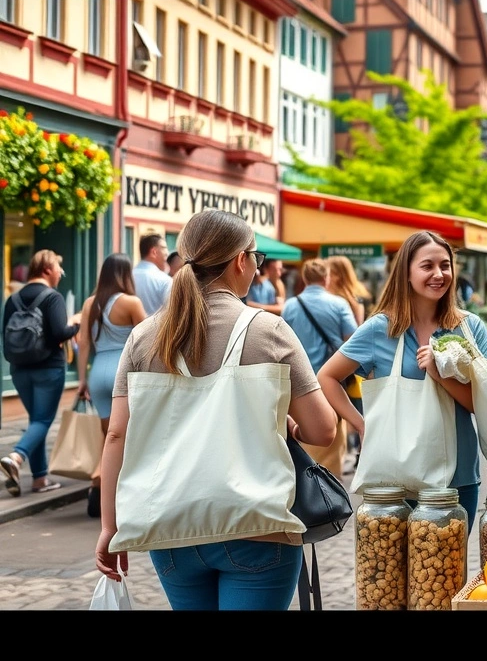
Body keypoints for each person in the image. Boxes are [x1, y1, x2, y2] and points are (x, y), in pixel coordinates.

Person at [95, 210, 338, 610]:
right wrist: (286, 423)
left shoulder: (144, 336)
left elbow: (117, 435)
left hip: (172, 530)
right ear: (241, 260)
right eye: (256, 258)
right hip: (256, 528)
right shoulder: (268, 330)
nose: (257, 268)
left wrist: (110, 526)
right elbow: (323, 430)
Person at [317, 231, 487, 526]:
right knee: (395, 558)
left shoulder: (469, 327)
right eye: (427, 266)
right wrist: (361, 425)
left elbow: (485, 404)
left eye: (445, 265)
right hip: (396, 478)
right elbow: (327, 377)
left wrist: (439, 374)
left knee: (450, 558)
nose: (439, 274)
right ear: (406, 273)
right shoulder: (381, 329)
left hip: (458, 478)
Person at [0, 250, 82, 496]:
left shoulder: (13, 299)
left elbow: (5, 334)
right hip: (48, 369)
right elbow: (59, 334)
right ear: (47, 269)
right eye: (58, 268)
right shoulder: (52, 297)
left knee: (36, 420)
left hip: (19, 370)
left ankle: (39, 479)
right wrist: (76, 323)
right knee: (43, 421)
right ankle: (16, 457)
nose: (60, 273)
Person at [75, 254, 146, 517]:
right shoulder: (131, 302)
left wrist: (82, 380)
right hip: (123, 371)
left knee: (109, 437)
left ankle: (99, 487)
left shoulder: (89, 304)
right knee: (127, 438)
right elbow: (147, 339)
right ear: (125, 274)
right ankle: (122, 499)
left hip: (97, 373)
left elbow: (84, 343)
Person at [282, 259, 358, 479]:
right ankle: (330, 488)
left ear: (305, 279)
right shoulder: (339, 304)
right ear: (326, 278)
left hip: (298, 382)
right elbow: (353, 341)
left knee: (302, 435)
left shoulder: (290, 306)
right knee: (333, 441)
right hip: (332, 381)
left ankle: (307, 484)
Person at [326, 255, 372, 459]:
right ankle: (356, 450)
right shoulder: (356, 298)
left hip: (346, 363)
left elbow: (355, 338)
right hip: (349, 364)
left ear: (338, 275)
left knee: (349, 408)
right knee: (352, 408)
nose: (326, 277)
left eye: (330, 273)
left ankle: (357, 449)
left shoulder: (347, 301)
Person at [133, 234, 173, 316]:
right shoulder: (164, 280)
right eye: (164, 248)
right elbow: (172, 313)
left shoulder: (128, 277)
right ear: (154, 252)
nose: (167, 253)